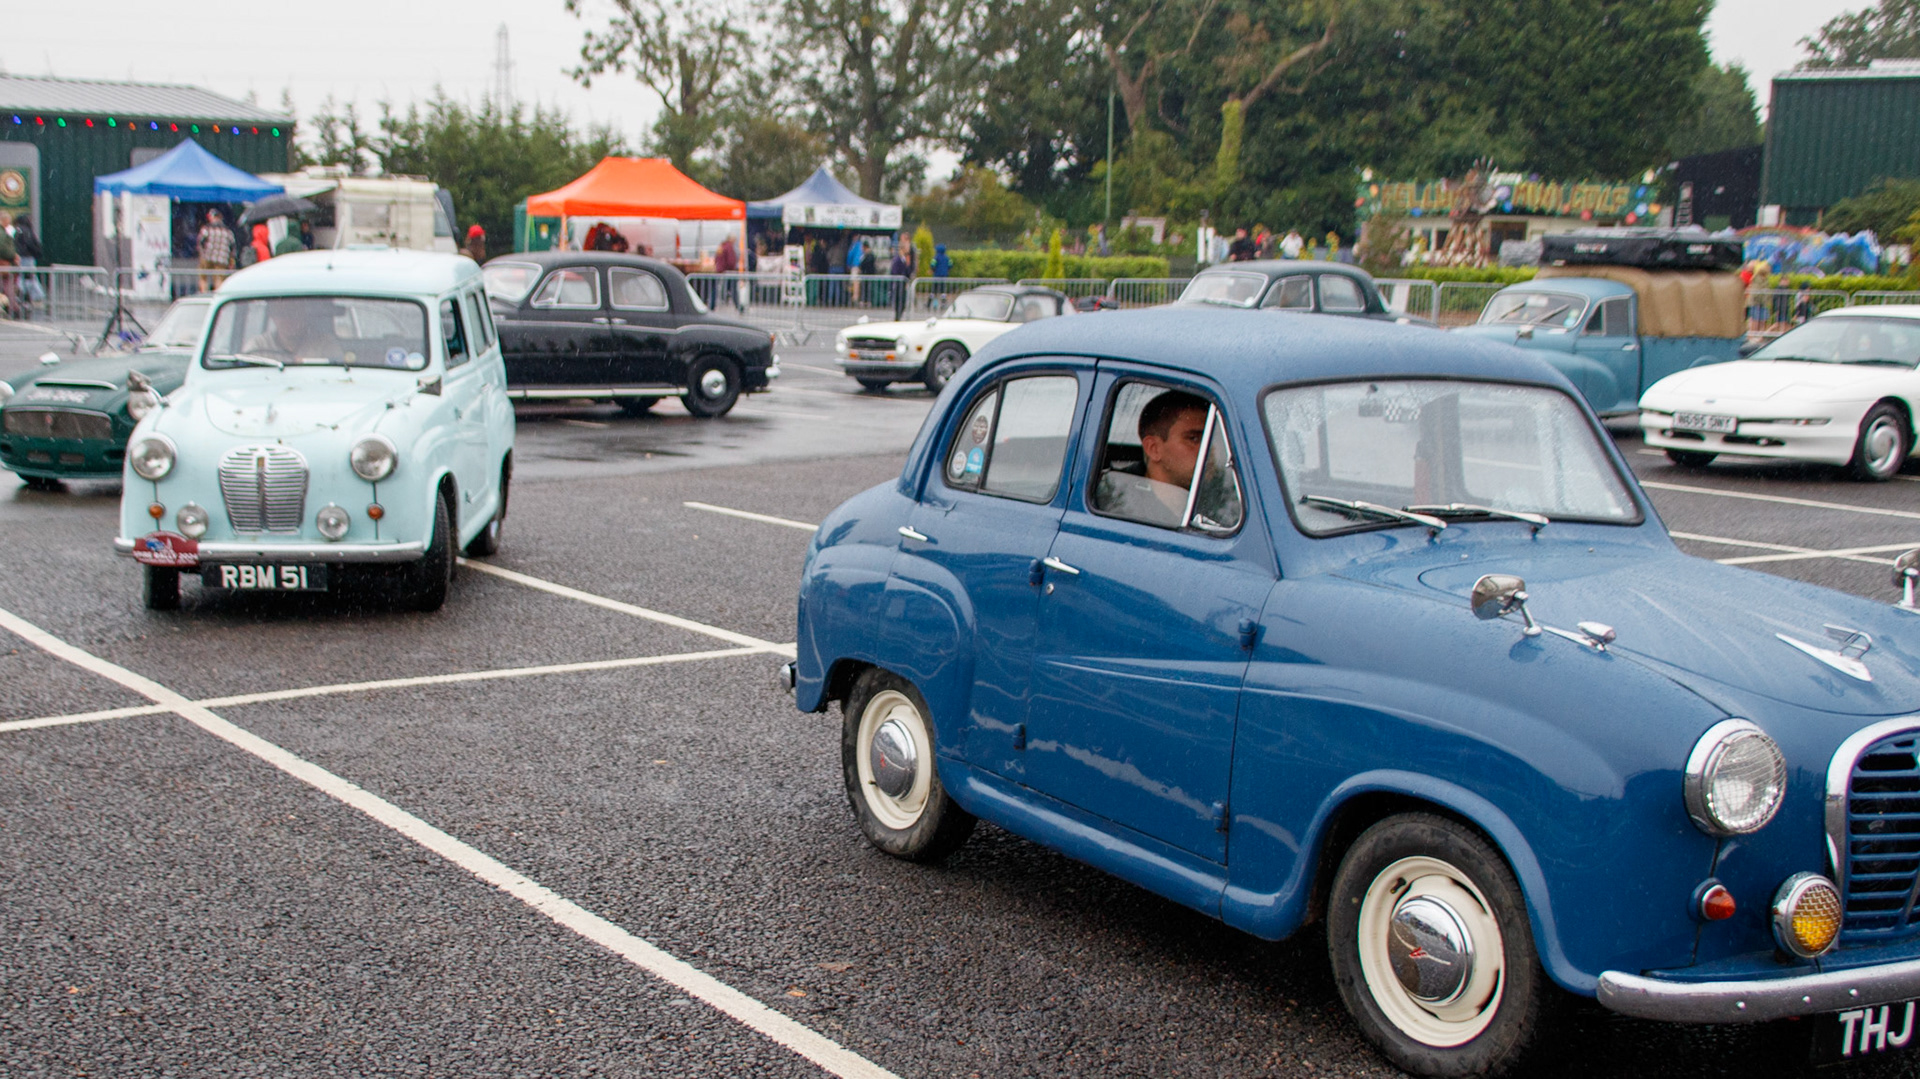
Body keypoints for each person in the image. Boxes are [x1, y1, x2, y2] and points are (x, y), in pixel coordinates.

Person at [1095, 390, 1210, 529]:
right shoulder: (1114, 506)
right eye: (1194, 439)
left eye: (1211, 439)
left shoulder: (1220, 500)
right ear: (1153, 448)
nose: (1209, 449)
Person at [242, 299, 336, 360]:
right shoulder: (258, 346)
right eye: (281, 313)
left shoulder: (325, 344)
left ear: (304, 315)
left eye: (293, 312)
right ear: (273, 316)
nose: (287, 319)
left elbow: (336, 375)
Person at [197, 209, 234, 291]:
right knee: (219, 278)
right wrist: (231, 260)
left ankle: (204, 293)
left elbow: (200, 242)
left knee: (203, 276)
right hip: (222, 258)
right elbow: (232, 246)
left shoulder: (207, 229)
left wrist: (201, 253)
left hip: (207, 256)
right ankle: (218, 294)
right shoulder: (228, 231)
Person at [714, 233, 743, 311]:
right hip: (728, 272)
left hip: (720, 271)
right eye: (734, 239)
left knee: (717, 288)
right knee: (733, 290)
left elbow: (716, 258)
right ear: (731, 239)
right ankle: (739, 307)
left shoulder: (721, 246)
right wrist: (733, 268)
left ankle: (712, 305)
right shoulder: (729, 247)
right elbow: (731, 261)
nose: (735, 241)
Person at [889, 239, 913, 319]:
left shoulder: (904, 259)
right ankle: (897, 318)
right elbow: (895, 271)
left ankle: (898, 317)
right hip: (898, 284)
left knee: (902, 303)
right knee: (899, 303)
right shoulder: (897, 259)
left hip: (902, 285)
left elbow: (908, 272)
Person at [0, 212, 17, 319]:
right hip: (3, 264)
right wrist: (13, 255)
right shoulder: (2, 233)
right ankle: (12, 308)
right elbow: (4, 249)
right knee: (7, 287)